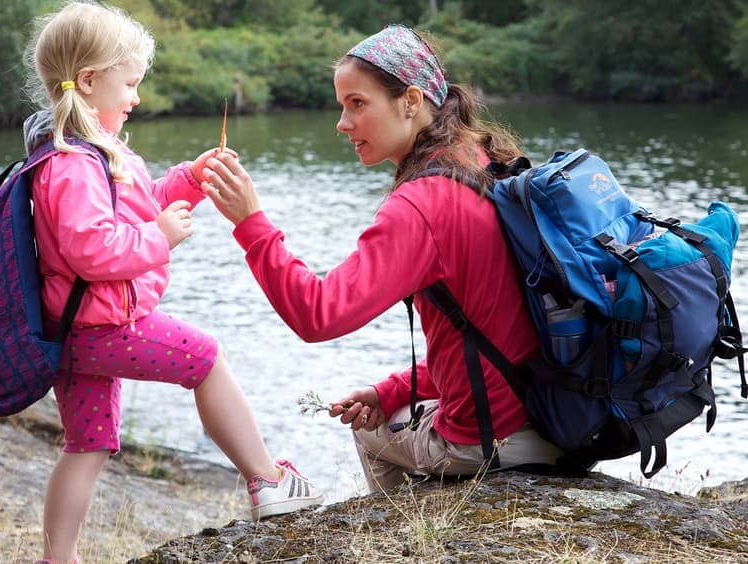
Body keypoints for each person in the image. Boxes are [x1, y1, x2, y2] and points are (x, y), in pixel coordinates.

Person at [200, 24, 563, 493]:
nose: (342, 122)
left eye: (357, 103)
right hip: (551, 414)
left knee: (371, 431)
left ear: (410, 102)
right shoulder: (484, 161)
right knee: (387, 410)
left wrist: (251, 223)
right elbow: (496, 335)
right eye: (341, 106)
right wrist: (391, 390)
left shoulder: (423, 203)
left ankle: (405, 538)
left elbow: (318, 314)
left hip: (493, 438)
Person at [22, 2, 322, 562]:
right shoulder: (73, 164)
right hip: (103, 325)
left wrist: (190, 179)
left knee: (87, 445)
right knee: (206, 358)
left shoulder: (88, 153)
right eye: (129, 84)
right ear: (88, 81)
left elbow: (133, 211)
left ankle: (57, 558)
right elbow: (93, 251)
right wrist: (160, 239)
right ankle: (266, 479)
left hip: (75, 329)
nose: (135, 97)